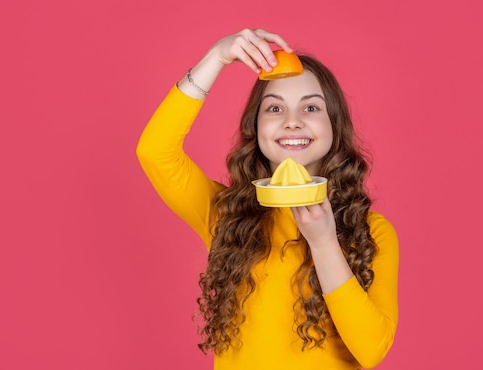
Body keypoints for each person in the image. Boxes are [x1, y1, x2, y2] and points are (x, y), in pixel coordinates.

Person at [136, 28, 399, 369]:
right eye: (275, 109)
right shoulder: (225, 215)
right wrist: (216, 58)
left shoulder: (373, 232)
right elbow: (155, 152)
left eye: (311, 108)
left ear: (334, 126)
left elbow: (372, 349)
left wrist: (323, 244)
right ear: (255, 126)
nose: (292, 122)